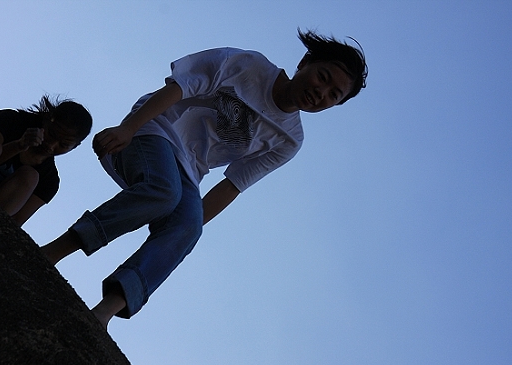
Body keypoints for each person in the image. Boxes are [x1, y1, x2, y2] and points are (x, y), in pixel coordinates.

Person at [42, 29, 368, 330]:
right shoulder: (247, 65)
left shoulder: (289, 140)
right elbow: (179, 87)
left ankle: (104, 313)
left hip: (188, 170)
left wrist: (184, 227)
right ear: (305, 62)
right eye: (323, 77)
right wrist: (128, 128)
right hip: (154, 127)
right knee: (165, 191)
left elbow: (233, 185)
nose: (321, 93)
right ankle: (53, 252)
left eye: (334, 95)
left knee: (188, 225)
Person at [0, 96, 92, 226]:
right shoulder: (13, 120)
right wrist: (19, 146)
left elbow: (16, 220)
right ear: (46, 119)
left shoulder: (49, 181)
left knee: (30, 176)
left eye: (63, 145)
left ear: (75, 146)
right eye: (51, 134)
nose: (51, 145)